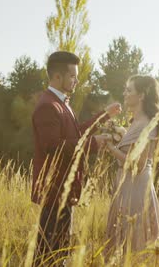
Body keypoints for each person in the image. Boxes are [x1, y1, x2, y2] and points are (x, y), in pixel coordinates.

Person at [31, 51, 122, 266]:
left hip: (64, 188)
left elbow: (76, 133)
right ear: (57, 77)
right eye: (72, 76)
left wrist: (104, 116)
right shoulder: (48, 106)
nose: (76, 80)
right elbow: (52, 146)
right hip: (54, 189)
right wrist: (93, 143)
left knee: (59, 251)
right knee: (48, 254)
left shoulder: (62, 104)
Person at [103, 75, 159, 264]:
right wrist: (119, 135)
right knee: (122, 242)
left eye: (129, 90)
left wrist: (111, 148)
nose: (124, 93)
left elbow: (137, 166)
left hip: (136, 189)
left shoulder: (146, 124)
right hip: (125, 186)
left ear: (141, 95)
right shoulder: (136, 122)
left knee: (136, 243)